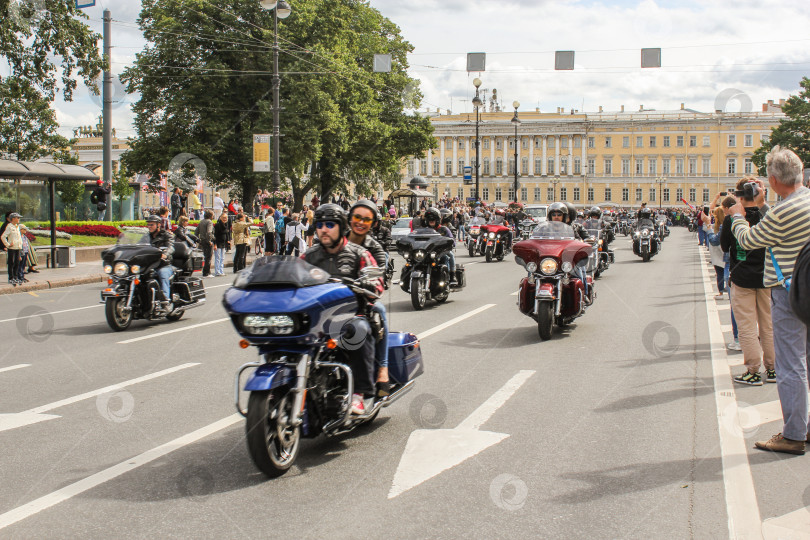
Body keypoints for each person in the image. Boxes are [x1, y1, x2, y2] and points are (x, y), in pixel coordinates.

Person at [729, 146, 810, 455]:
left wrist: (738, 216)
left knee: (791, 364)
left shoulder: (781, 212)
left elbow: (749, 241)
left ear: (774, 181)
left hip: (789, 291)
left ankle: (793, 434)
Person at [303, 203, 382, 414]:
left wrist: (368, 285)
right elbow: (293, 277)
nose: (324, 229)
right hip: (314, 318)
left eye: (330, 224)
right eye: (320, 224)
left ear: (340, 226)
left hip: (348, 315)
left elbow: (378, 283)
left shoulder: (359, 253)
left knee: (358, 330)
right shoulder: (308, 256)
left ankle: (360, 394)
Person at [347, 200, 390, 387]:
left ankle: (383, 368)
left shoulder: (374, 248)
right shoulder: (336, 240)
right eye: (357, 217)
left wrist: (370, 283)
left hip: (361, 299)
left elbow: (379, 273)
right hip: (332, 299)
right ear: (350, 219)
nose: (361, 222)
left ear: (372, 223)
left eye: (366, 219)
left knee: (378, 312)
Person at [144, 215, 175, 306]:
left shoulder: (166, 235)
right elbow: (139, 246)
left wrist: (165, 254)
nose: (149, 227)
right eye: (148, 225)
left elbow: (171, 247)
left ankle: (165, 301)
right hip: (149, 265)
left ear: (158, 225)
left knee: (163, 274)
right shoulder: (146, 237)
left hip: (163, 264)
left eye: (151, 225)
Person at [423, 207, 457, 281]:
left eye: (433, 219)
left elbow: (452, 240)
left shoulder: (444, 229)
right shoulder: (425, 230)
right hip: (428, 251)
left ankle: (451, 274)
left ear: (437, 220)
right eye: (429, 220)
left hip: (441, 251)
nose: (431, 221)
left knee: (449, 255)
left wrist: (450, 243)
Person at [1, 213, 23, 286]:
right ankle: (11, 278)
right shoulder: (9, 227)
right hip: (12, 248)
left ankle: (15, 277)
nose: (18, 219)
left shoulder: (17, 227)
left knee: (17, 262)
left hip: (18, 247)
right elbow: (3, 236)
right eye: (17, 218)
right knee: (11, 263)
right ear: (13, 219)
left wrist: (20, 245)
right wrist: (7, 244)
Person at [195, 210, 214, 277]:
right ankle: (206, 272)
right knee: (208, 257)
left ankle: (207, 271)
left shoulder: (201, 221)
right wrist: (209, 241)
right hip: (207, 241)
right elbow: (209, 232)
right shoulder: (209, 222)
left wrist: (198, 239)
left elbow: (196, 231)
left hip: (202, 241)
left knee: (205, 256)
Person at [213, 211, 231, 276]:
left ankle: (221, 270)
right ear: (220, 218)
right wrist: (214, 244)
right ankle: (217, 271)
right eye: (223, 217)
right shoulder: (218, 225)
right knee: (218, 258)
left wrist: (228, 241)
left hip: (223, 243)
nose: (225, 219)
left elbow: (227, 234)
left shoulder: (226, 225)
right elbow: (215, 235)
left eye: (226, 218)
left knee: (222, 258)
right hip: (218, 243)